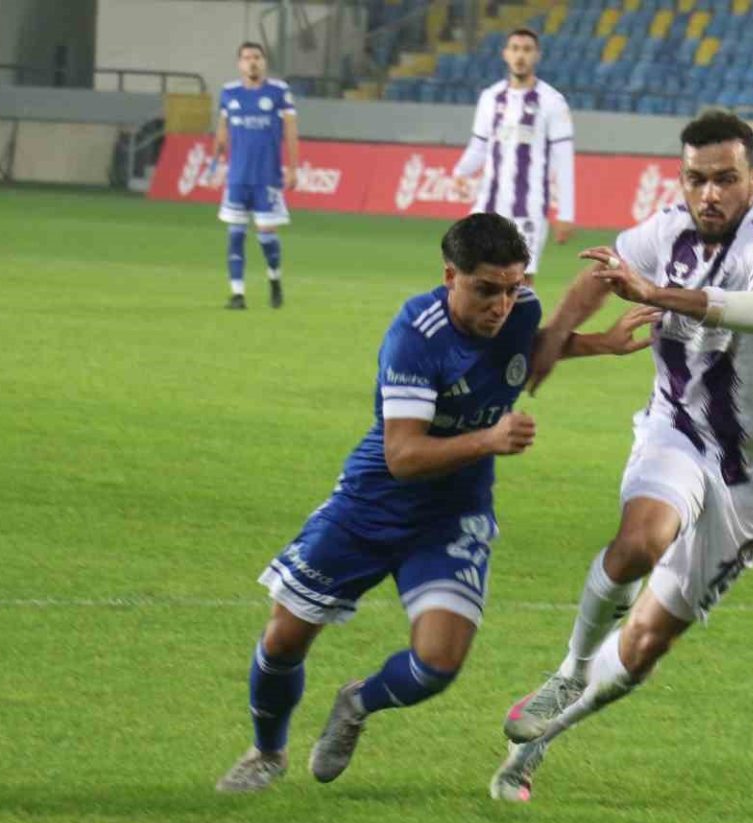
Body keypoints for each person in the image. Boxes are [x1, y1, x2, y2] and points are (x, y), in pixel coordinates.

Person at [215, 214, 655, 792]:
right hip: (372, 504)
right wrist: (489, 440)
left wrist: (602, 344)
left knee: (437, 665)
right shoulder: (416, 336)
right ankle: (268, 752)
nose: (501, 305)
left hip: (454, 512)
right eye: (485, 290)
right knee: (284, 639)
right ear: (450, 275)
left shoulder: (519, 310)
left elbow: (520, 355)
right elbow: (403, 455)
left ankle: (357, 703)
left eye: (512, 288)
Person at [488, 110, 753, 803]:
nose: (709, 194)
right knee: (641, 541)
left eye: (725, 179)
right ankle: (570, 670)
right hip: (678, 429)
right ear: (682, 178)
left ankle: (537, 744)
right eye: (696, 179)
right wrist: (555, 335)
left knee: (644, 645)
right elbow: (604, 273)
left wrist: (655, 294)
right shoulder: (665, 230)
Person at [451, 28, 575, 280]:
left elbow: (564, 162)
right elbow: (479, 146)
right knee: (470, 276)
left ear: (537, 55)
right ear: (505, 54)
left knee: (520, 281)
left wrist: (566, 213)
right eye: (515, 49)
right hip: (487, 205)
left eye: (527, 50)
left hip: (528, 209)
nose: (520, 56)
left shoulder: (552, 101)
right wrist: (460, 172)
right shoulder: (490, 98)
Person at [213, 41, 299, 311]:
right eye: (247, 58)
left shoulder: (279, 92)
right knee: (235, 234)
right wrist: (216, 165)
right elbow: (222, 131)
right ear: (239, 63)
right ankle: (237, 294)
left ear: (264, 62)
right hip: (237, 177)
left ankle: (274, 279)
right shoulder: (229, 93)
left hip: (267, 177)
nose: (252, 62)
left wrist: (293, 168)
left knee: (266, 236)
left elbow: (291, 131)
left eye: (257, 57)